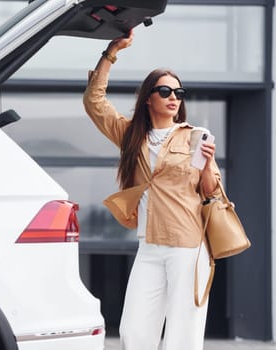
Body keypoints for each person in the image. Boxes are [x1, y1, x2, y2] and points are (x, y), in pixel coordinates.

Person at [83, 29, 221, 350]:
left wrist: (206, 165)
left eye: (178, 92)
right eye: (165, 91)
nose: (174, 97)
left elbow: (211, 190)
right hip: (149, 246)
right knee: (134, 334)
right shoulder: (132, 137)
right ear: (148, 98)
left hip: (188, 246)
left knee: (182, 338)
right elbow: (94, 102)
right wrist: (111, 52)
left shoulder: (195, 135)